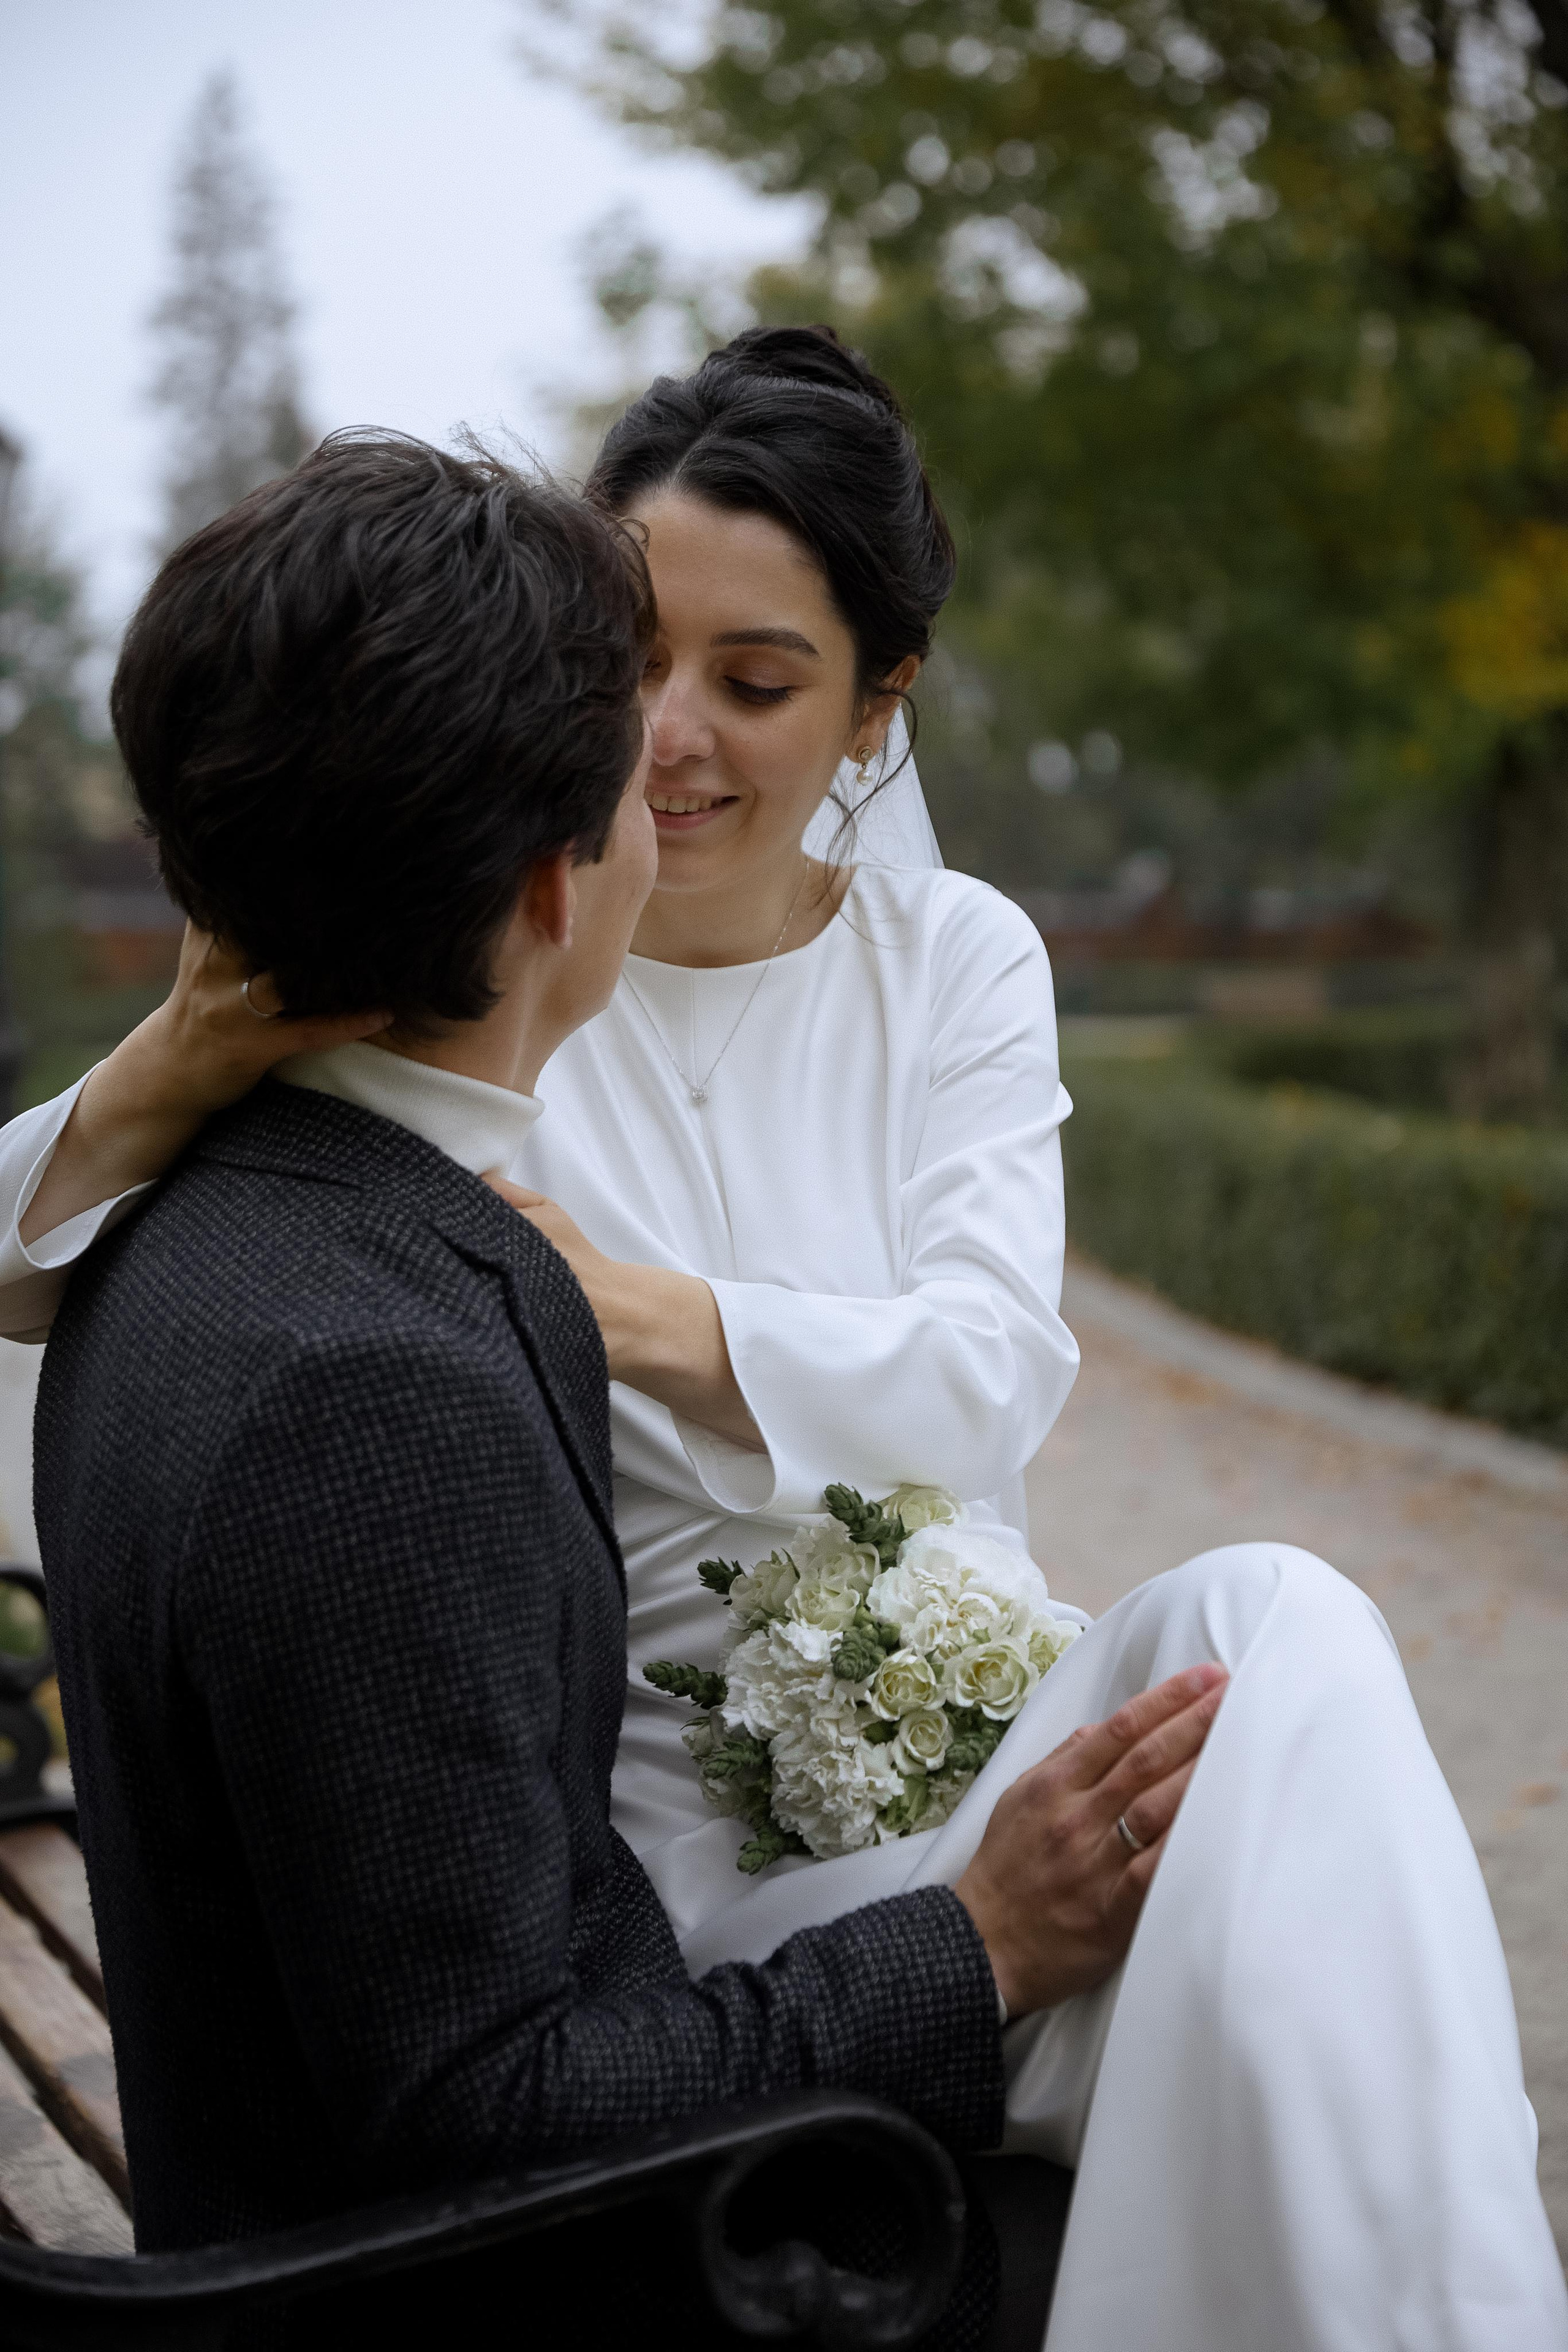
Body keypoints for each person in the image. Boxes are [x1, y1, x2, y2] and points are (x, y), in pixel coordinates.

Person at [7, 333, 1566, 2346]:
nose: (667, 737)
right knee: (1303, 1963)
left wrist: (615, 1308)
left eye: (753, 684)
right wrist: (180, 1044)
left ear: (872, 705)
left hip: (972, 1685)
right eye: (630, 666)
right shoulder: (473, 968)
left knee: (1270, 1644)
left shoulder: (953, 958)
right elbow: (43, 1252)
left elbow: (995, 1369)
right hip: (673, 1821)